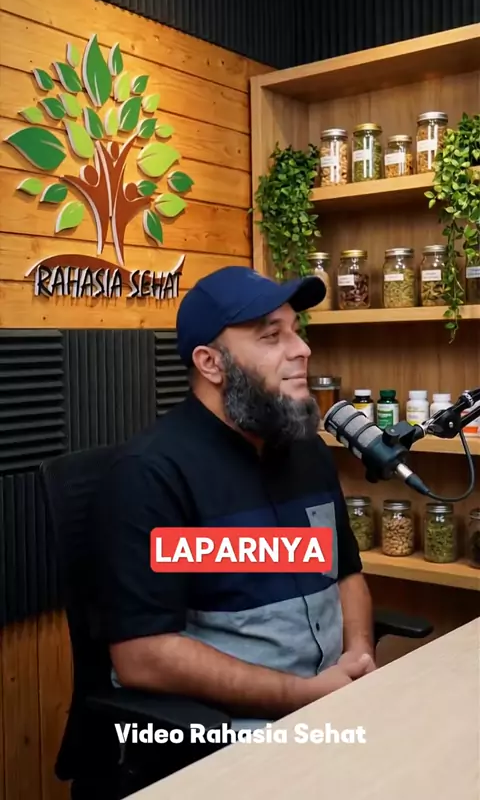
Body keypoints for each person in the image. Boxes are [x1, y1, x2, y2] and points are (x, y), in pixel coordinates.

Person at [92, 265, 375, 727]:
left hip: (332, 702)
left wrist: (359, 656)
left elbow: (346, 574)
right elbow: (142, 655)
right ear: (211, 363)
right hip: (231, 731)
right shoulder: (151, 475)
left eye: (296, 330)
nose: (302, 349)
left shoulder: (308, 451)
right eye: (272, 336)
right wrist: (303, 696)